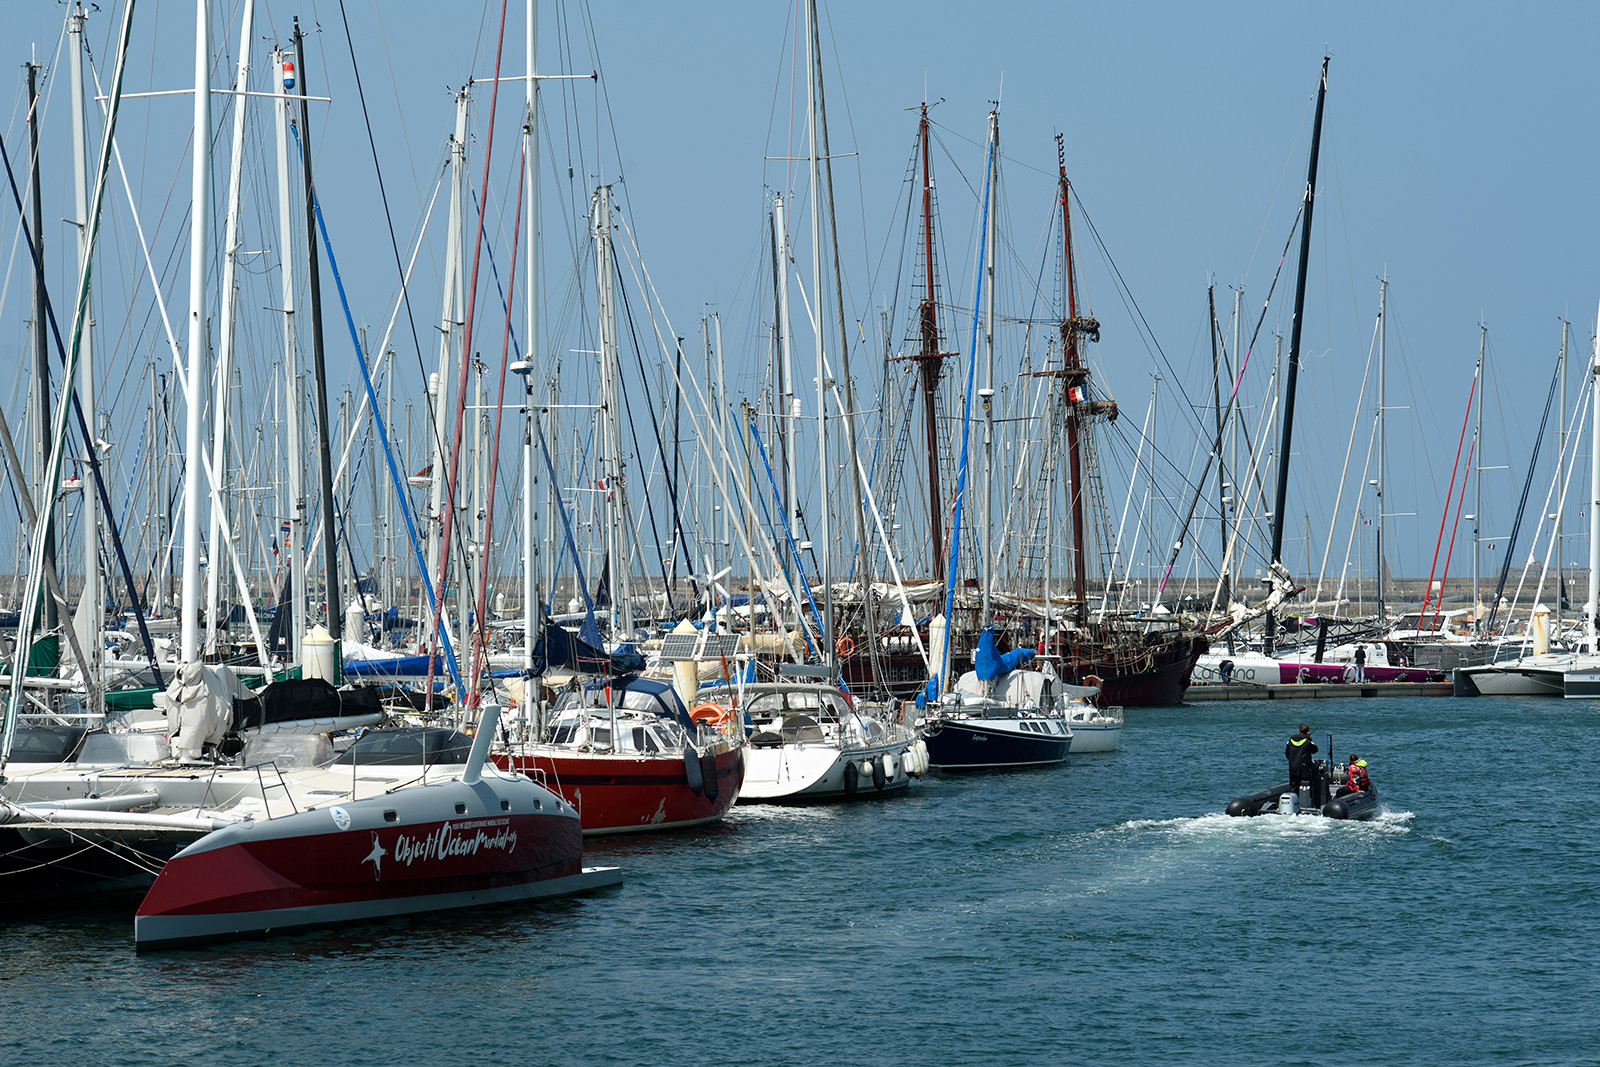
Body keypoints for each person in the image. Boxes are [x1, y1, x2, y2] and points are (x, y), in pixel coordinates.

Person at [1286, 724, 1317, 792]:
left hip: (1293, 767)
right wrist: (1309, 738)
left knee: (1293, 785)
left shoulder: (1291, 740)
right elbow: (1315, 750)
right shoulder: (1308, 741)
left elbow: (1287, 754)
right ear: (1307, 731)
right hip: (1304, 768)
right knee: (1306, 785)